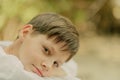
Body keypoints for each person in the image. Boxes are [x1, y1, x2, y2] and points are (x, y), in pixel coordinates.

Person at [0, 13, 80, 80]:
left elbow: (71, 65)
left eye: (55, 64)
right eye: (46, 50)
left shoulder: (7, 46)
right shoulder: (8, 68)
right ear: (25, 32)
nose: (48, 66)